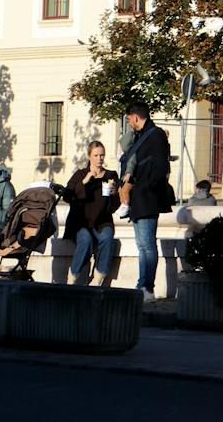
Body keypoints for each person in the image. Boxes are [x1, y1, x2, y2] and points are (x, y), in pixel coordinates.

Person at [117, 100, 173, 303]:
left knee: (147, 245)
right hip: (140, 198)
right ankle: (143, 285)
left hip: (147, 198)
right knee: (142, 245)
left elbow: (160, 167)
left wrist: (143, 186)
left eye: (129, 119)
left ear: (135, 117)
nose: (129, 123)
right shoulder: (144, 135)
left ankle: (146, 287)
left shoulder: (155, 135)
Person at [64, 140, 120, 287]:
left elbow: (114, 206)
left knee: (107, 238)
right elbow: (67, 196)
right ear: (89, 156)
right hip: (81, 221)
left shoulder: (111, 175)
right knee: (86, 240)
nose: (99, 159)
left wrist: (114, 194)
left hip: (102, 221)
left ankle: (98, 278)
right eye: (96, 155)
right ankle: (72, 278)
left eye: (102, 155)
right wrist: (85, 181)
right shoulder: (80, 174)